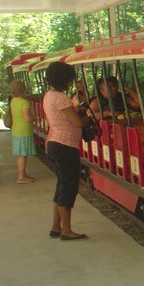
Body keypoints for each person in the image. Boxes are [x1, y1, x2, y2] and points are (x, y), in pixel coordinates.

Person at [43, 61, 91, 241]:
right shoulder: (61, 98)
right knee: (68, 187)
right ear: (63, 79)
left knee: (61, 185)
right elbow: (77, 122)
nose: (71, 83)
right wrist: (84, 120)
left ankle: (56, 226)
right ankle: (67, 230)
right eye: (70, 79)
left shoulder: (49, 95)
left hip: (54, 143)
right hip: (65, 146)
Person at [9, 79, 37, 184]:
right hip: (24, 131)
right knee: (23, 155)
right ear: (23, 90)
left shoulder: (13, 101)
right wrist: (36, 118)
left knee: (21, 154)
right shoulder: (24, 103)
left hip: (16, 130)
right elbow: (27, 118)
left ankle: (23, 174)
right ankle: (21, 176)